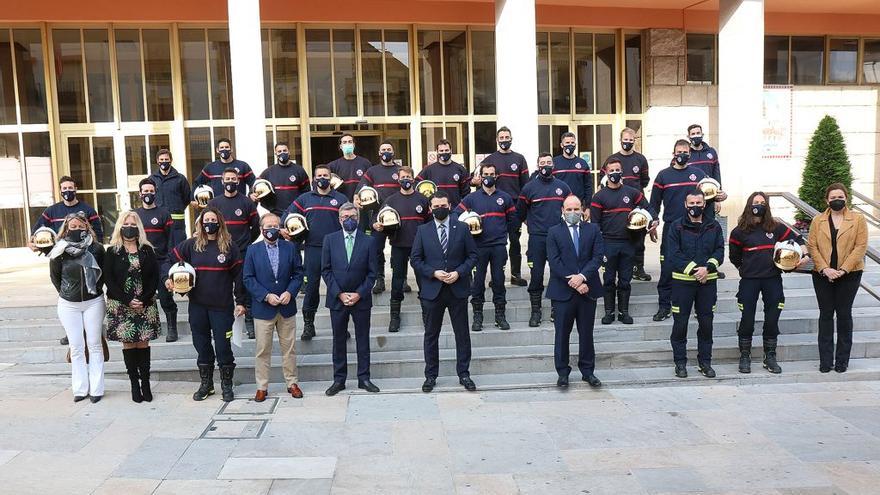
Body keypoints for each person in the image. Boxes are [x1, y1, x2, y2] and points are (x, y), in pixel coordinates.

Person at [166, 207, 246, 402]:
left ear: (220, 222)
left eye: (213, 219)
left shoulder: (229, 247)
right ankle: (207, 385)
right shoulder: (191, 245)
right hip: (197, 307)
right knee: (201, 346)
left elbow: (239, 277)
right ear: (200, 223)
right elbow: (169, 260)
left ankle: (226, 385)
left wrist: (241, 302)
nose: (209, 223)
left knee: (223, 347)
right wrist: (168, 279)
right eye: (205, 219)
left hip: (222, 307)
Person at [729, 192, 809, 374]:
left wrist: (804, 255)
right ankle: (745, 355)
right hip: (749, 281)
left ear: (767, 206)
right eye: (755, 202)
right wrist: (745, 268)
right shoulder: (738, 231)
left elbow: (798, 239)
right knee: (747, 320)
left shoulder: (776, 227)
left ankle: (770, 356)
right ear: (749, 205)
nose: (759, 205)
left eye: (762, 202)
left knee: (772, 319)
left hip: (772, 280)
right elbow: (734, 256)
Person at [649, 139, 726, 322]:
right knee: (667, 269)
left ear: (689, 154)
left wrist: (720, 196)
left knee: (694, 265)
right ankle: (664, 306)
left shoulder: (699, 174)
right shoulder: (663, 176)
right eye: (678, 151)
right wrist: (653, 221)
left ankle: (695, 304)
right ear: (673, 153)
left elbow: (709, 197)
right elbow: (654, 203)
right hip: (671, 229)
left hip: (695, 229)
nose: (682, 154)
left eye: (685, 151)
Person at [410, 191, 479, 393]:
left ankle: (464, 374)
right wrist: (433, 273)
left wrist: (459, 272)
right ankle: (431, 376)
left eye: (443, 205)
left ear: (450, 206)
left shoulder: (463, 228)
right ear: (430, 209)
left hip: (457, 289)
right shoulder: (423, 231)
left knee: (462, 334)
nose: (440, 208)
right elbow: (415, 260)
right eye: (436, 205)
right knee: (431, 334)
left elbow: (473, 255)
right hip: (433, 290)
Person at [243, 213, 305, 401]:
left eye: (275, 226)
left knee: (289, 348)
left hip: (286, 307)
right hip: (264, 309)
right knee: (263, 350)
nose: (272, 229)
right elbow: (248, 278)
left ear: (280, 228)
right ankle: (262, 386)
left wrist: (290, 292)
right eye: (268, 226)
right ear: (261, 229)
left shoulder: (290, 247)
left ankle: (292, 383)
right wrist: (265, 296)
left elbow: (298, 273)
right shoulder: (252, 250)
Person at [807, 183, 868, 373]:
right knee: (825, 315)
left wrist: (843, 269)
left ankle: (842, 360)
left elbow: (860, 247)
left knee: (843, 315)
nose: (836, 200)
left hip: (849, 275)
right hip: (822, 275)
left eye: (840, 196)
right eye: (832, 198)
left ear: (846, 198)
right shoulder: (818, 220)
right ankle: (825, 361)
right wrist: (825, 268)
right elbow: (812, 246)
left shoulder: (858, 220)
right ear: (827, 200)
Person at [283, 164, 348, 340]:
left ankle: (341, 326)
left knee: (339, 286)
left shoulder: (341, 198)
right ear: (313, 179)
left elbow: (351, 218)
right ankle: (308, 325)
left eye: (325, 175)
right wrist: (284, 229)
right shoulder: (304, 199)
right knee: (311, 288)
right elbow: (287, 215)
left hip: (337, 250)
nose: (322, 178)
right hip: (312, 249)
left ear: (330, 178)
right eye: (319, 175)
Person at [546, 195, 604, 388]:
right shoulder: (554, 232)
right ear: (562, 210)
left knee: (586, 333)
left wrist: (583, 277)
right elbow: (554, 262)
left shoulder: (593, 230)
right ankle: (562, 373)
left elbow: (597, 258)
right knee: (562, 334)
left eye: (576, 209)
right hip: (563, 292)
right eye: (569, 209)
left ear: (582, 210)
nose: (573, 213)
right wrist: (575, 281)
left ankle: (588, 372)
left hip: (588, 290)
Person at [321, 203, 379, 396]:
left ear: (358, 217)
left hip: (360, 299)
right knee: (339, 340)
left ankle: (364, 378)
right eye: (345, 216)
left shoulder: (369, 241)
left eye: (353, 216)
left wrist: (359, 293)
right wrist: (339, 293)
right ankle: (339, 380)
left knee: (363, 339)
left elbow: (373, 273)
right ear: (339, 219)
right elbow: (326, 270)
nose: (349, 220)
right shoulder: (329, 240)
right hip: (337, 299)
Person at [103, 211, 161, 403]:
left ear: (139, 228)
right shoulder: (112, 251)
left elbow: (154, 278)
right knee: (129, 344)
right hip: (121, 304)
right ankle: (134, 384)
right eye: (126, 224)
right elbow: (108, 279)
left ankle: (145, 382)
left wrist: (144, 298)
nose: (129, 227)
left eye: (133, 225)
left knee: (143, 343)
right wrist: (127, 299)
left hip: (145, 303)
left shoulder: (147, 250)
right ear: (120, 226)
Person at [666, 189, 724, 379]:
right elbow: (673, 255)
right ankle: (680, 363)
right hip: (683, 285)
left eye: (698, 203)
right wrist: (695, 270)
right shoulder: (676, 227)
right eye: (691, 204)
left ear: (704, 204)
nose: (695, 207)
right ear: (685, 205)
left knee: (706, 325)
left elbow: (719, 251)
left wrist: (707, 268)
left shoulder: (714, 226)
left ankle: (705, 363)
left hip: (707, 284)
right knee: (680, 325)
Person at [49, 213, 106, 403]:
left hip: (93, 302)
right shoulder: (59, 250)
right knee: (76, 347)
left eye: (80, 226)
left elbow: (103, 274)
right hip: (68, 304)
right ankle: (80, 389)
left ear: (86, 227)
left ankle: (97, 388)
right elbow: (55, 277)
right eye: (72, 227)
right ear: (66, 229)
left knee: (94, 344)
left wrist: (95, 290)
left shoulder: (97, 249)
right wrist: (67, 292)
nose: (76, 230)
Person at [455, 163, 516, 331]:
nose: (488, 177)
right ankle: (477, 317)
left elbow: (513, 220)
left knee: (498, 281)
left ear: (496, 176)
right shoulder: (471, 198)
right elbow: (455, 214)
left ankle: (500, 316)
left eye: (491, 173)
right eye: (485, 174)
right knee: (477, 283)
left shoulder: (505, 197)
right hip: (478, 248)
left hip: (498, 247)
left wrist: (503, 235)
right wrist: (466, 228)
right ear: (480, 177)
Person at [590, 158, 650, 325]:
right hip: (608, 244)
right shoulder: (599, 196)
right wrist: (598, 247)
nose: (615, 173)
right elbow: (594, 226)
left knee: (625, 280)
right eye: (612, 171)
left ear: (622, 172)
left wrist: (652, 221)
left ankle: (624, 312)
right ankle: (609, 312)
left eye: (618, 170)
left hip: (628, 243)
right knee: (608, 280)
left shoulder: (631, 193)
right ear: (606, 173)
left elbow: (648, 208)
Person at [372, 166, 431, 332]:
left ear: (413, 179)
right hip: (398, 246)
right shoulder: (391, 200)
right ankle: (394, 316)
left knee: (423, 281)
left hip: (419, 249)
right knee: (397, 282)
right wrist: (377, 226)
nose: (406, 180)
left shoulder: (422, 199)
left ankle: (427, 315)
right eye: (403, 177)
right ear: (398, 179)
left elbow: (429, 222)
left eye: (409, 177)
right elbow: (379, 220)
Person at [518, 152, 571, 326]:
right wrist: (534, 226)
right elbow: (521, 213)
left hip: (559, 238)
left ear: (553, 165)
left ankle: (557, 309)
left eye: (549, 162)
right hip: (537, 239)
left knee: (559, 274)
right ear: (538, 165)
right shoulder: (529, 188)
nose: (546, 165)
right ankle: (536, 311)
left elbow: (571, 208)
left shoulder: (563, 187)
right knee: (536, 275)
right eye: (542, 162)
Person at [208, 168, 260, 338]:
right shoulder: (214, 204)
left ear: (238, 181)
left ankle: (249, 323)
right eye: (227, 179)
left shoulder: (247, 202)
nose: (230, 181)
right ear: (222, 182)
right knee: (221, 287)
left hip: (242, 252)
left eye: (233, 179)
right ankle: (224, 323)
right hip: (220, 251)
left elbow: (256, 227)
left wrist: (245, 243)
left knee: (244, 287)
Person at [480, 126, 530, 286]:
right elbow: (478, 180)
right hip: (495, 209)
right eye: (501, 138)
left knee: (515, 242)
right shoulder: (489, 160)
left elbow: (526, 187)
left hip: (514, 208)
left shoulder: (520, 159)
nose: (504, 140)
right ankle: (497, 277)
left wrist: (524, 211)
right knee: (497, 244)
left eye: (506, 137)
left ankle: (515, 274)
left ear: (511, 139)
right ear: (497, 140)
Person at [134, 178, 179, 342]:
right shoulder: (135, 215)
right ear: (140, 194)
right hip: (141, 262)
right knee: (142, 297)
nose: (148, 194)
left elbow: (171, 239)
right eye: (145, 191)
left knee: (166, 297)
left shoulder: (164, 213)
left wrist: (170, 260)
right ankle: (145, 329)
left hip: (161, 262)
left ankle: (172, 329)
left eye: (151, 191)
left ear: (155, 192)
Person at [605, 128, 651, 281]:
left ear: (634, 141)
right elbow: (603, 180)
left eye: (631, 140)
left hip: (636, 204)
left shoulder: (641, 159)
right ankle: (618, 266)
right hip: (617, 203)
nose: (628, 142)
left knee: (639, 237)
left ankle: (638, 268)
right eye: (625, 140)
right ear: (620, 140)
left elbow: (644, 180)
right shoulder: (612, 158)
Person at [356, 140, 402, 294]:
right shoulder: (372, 171)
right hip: (377, 217)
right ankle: (379, 279)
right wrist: (357, 199)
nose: (386, 151)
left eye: (389, 149)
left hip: (399, 216)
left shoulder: (400, 170)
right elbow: (361, 190)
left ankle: (400, 279)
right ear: (379, 153)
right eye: (383, 149)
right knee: (376, 249)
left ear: (393, 152)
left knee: (400, 249)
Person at [687, 124, 727, 279]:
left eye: (698, 133)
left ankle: (712, 266)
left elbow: (717, 175)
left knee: (709, 233)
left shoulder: (711, 152)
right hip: (692, 202)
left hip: (709, 201)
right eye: (693, 133)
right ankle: (694, 265)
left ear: (702, 134)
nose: (696, 135)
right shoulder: (686, 153)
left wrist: (717, 198)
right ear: (688, 135)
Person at [31, 175, 104, 245]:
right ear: (60, 191)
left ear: (75, 189)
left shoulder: (88, 210)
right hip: (59, 252)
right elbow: (38, 230)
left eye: (70, 188)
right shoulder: (51, 211)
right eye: (64, 188)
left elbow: (98, 234)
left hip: (85, 252)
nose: (67, 190)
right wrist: (33, 241)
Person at [149, 149, 191, 248]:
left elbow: (187, 198)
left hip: (177, 223)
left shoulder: (180, 179)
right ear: (157, 161)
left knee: (178, 249)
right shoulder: (152, 179)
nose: (164, 162)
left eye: (166, 159)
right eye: (161, 159)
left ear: (171, 160)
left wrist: (177, 208)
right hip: (158, 222)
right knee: (160, 248)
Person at [258, 142, 311, 215]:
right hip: (276, 214)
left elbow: (306, 192)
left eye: (284, 150)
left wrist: (301, 207)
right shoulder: (269, 172)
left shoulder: (299, 170)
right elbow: (257, 185)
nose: (282, 153)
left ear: (289, 152)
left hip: (294, 213)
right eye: (279, 151)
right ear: (276, 154)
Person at [416, 139, 471, 207]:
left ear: (451, 151)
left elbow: (466, 193)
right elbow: (417, 185)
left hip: (455, 211)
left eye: (446, 150)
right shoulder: (429, 169)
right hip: (435, 211)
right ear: (437, 152)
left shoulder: (460, 169)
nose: (444, 152)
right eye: (441, 151)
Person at [551, 132, 592, 208]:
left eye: (572, 142)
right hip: (559, 205)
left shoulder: (582, 163)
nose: (570, 145)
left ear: (575, 145)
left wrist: (588, 207)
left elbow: (588, 186)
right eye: (567, 142)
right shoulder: (554, 163)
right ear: (561, 145)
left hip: (578, 206)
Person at [328, 133, 372, 201]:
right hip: (342, 204)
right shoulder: (333, 165)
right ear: (341, 146)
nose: (347, 144)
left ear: (353, 145)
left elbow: (371, 183)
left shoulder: (365, 163)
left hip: (361, 203)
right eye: (344, 142)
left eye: (350, 142)